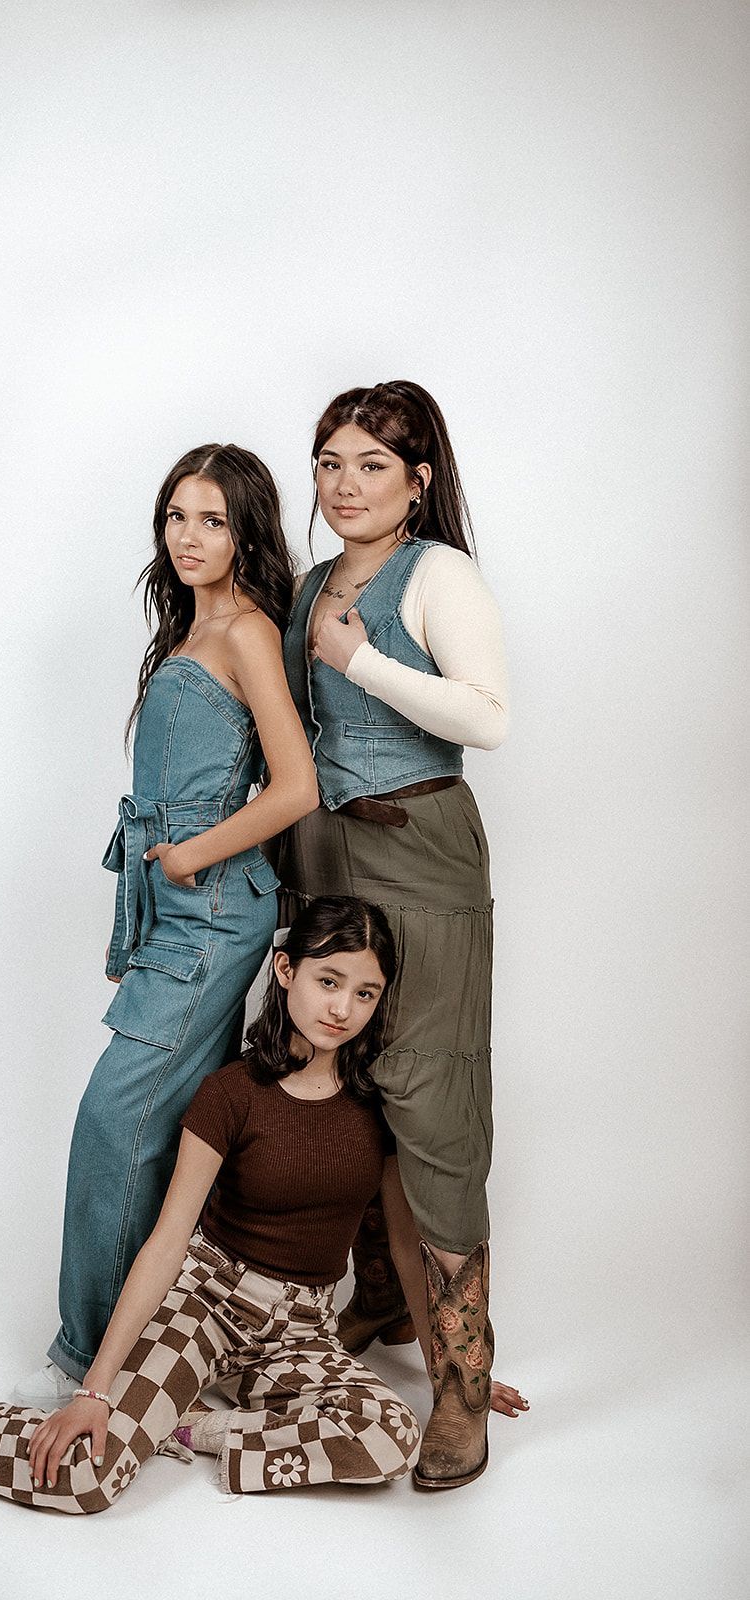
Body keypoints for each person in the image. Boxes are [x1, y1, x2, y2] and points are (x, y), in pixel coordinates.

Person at [0, 897, 423, 1510]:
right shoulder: (231, 1094)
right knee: (85, 1477)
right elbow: (168, 1239)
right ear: (286, 972)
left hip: (299, 1328)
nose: (343, 1009)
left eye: (366, 993)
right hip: (206, 1304)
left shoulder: (380, 1111)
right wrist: (96, 1390)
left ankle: (190, 1429)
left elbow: (403, 1248)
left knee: (392, 1436)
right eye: (329, 980)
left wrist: (455, 1378)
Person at [273, 380, 525, 1490]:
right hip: (322, 853)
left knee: (429, 1093)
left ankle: (461, 1389)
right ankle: (381, 1300)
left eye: (370, 463)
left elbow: (488, 716)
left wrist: (358, 658)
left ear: (417, 480)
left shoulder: (440, 574)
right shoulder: (315, 581)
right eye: (329, 462)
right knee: (342, 1077)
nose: (343, 483)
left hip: (416, 845)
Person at [30, 444, 318, 1398]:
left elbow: (296, 787)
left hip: (212, 910)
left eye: (213, 521)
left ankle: (91, 1365)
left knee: (115, 1122)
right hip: (176, 915)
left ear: (245, 535)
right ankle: (147, 1345)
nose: (189, 538)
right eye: (176, 517)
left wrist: (190, 858)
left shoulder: (243, 631)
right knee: (156, 1124)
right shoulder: (189, 633)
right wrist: (143, 912)